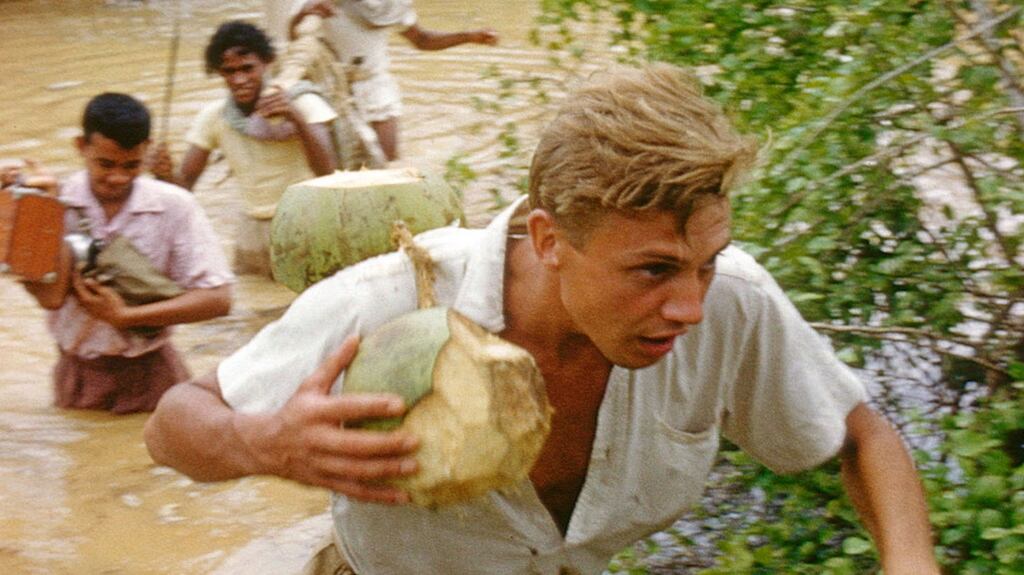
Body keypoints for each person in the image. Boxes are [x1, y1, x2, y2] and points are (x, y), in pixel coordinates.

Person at [144, 64, 940, 574]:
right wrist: (266, 441)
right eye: (653, 270)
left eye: (706, 262)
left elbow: (861, 435)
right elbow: (173, 424)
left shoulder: (733, 300)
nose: (691, 306)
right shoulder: (394, 297)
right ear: (550, 239)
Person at [22, 92, 234, 414]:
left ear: (147, 150)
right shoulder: (50, 202)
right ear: (81, 146)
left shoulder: (175, 206)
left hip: (154, 372)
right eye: (105, 164)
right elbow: (50, 297)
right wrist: (47, 211)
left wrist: (125, 317)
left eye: (132, 165)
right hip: (77, 373)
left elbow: (219, 299)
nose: (118, 177)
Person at [153, 20, 339, 277]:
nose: (239, 79)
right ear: (219, 73)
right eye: (229, 72)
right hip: (251, 231)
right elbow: (184, 190)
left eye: (247, 68)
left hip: (306, 223)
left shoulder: (304, 102)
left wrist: (296, 118)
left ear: (267, 63)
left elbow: (330, 174)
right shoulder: (214, 117)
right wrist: (164, 174)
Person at [287, 0, 499, 161]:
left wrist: (469, 37)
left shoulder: (389, 4)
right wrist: (306, 12)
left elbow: (422, 40)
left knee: (388, 163)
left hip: (375, 83)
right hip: (331, 84)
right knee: (337, 163)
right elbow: (295, 39)